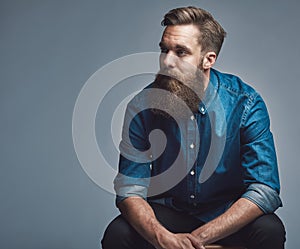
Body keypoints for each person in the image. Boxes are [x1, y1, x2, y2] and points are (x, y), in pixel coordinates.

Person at [101, 6, 285, 249]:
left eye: (181, 52)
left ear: (208, 59)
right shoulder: (142, 106)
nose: (167, 61)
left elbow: (264, 189)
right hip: (169, 213)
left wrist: (194, 242)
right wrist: (162, 238)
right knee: (118, 233)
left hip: (226, 214)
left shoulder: (246, 103)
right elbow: (129, 189)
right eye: (164, 50)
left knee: (269, 230)